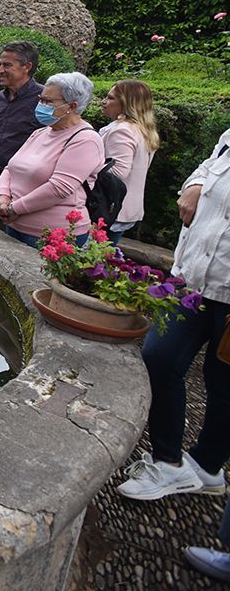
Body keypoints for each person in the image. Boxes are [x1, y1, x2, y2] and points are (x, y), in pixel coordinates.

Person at [115, 127, 230, 504]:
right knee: (158, 357)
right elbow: (207, 168)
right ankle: (168, 462)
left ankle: (208, 467)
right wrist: (195, 185)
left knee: (223, 384)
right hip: (192, 278)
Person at [0, 72, 104, 247]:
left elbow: (59, 188)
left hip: (52, 236)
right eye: (40, 99)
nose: (41, 105)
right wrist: (1, 197)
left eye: (48, 101)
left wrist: (14, 208)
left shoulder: (86, 139)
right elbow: (10, 168)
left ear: (71, 106)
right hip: (14, 225)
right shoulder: (41, 132)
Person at [0, 41, 45, 225]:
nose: (0, 70)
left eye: (7, 65)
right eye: (0, 64)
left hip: (19, 183)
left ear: (27, 67)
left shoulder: (43, 100)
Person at [97, 79, 160, 244]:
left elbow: (119, 172)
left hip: (109, 209)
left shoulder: (122, 130)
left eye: (110, 98)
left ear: (126, 104)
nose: (104, 102)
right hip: (126, 209)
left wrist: (86, 163)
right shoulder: (143, 130)